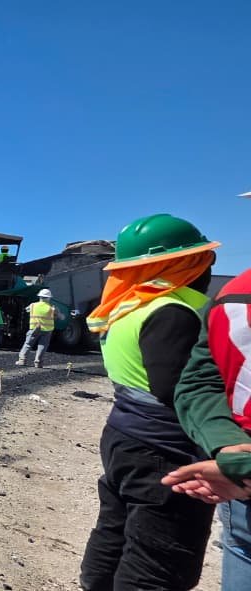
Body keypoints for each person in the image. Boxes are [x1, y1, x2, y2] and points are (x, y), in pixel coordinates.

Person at [78, 213, 220, 591]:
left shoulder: (127, 307)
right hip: (163, 449)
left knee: (114, 530)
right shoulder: (172, 311)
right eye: (204, 259)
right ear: (187, 263)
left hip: (125, 434)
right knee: (158, 563)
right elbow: (176, 389)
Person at [161, 267, 251, 590]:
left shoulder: (234, 293)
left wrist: (230, 450)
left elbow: (198, 383)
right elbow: (197, 381)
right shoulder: (225, 298)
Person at [15, 289, 63, 367]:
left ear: (40, 297)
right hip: (47, 330)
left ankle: (22, 360)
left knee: (28, 344)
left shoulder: (33, 305)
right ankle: (38, 363)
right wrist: (57, 314)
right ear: (49, 298)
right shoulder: (52, 308)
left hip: (34, 328)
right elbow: (61, 317)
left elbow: (26, 310)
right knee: (42, 346)